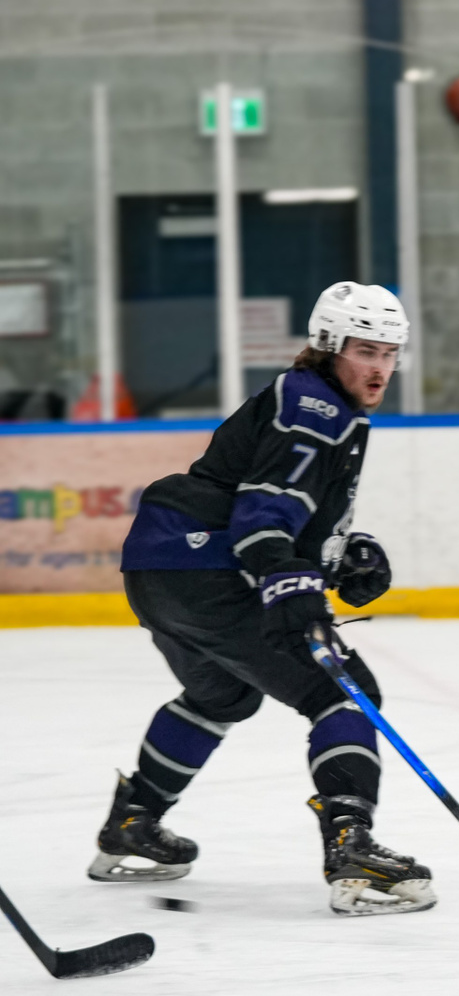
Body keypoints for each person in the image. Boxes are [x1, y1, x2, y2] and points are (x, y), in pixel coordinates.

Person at [95, 283, 433, 915]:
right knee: (342, 691)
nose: (380, 368)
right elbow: (264, 513)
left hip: (161, 565)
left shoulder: (318, 402)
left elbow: (270, 503)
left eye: (390, 353)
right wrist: (288, 581)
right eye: (365, 351)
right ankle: (351, 844)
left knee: (222, 695)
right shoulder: (315, 407)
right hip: (210, 570)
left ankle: (134, 822)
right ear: (329, 346)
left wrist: (338, 558)